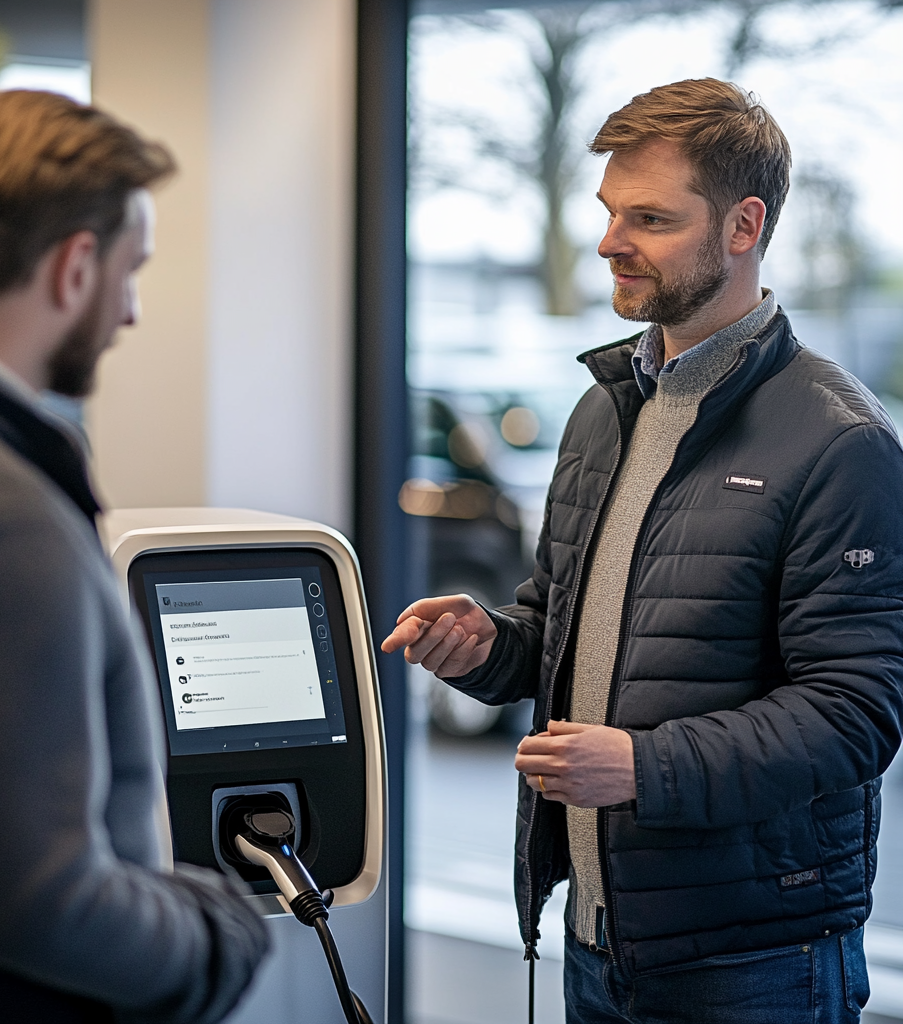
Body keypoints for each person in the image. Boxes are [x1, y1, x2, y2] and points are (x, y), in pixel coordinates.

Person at [383, 78, 903, 1022]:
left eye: (651, 218)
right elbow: (564, 624)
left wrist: (641, 766)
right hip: (599, 937)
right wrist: (491, 646)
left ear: (743, 228)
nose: (611, 241)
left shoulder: (840, 441)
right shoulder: (605, 407)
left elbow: (853, 714)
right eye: (611, 212)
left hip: (755, 964)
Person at [0, 90, 268, 1022]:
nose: (130, 312)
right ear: (75, 266)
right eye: (130, 271)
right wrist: (223, 933)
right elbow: (36, 901)